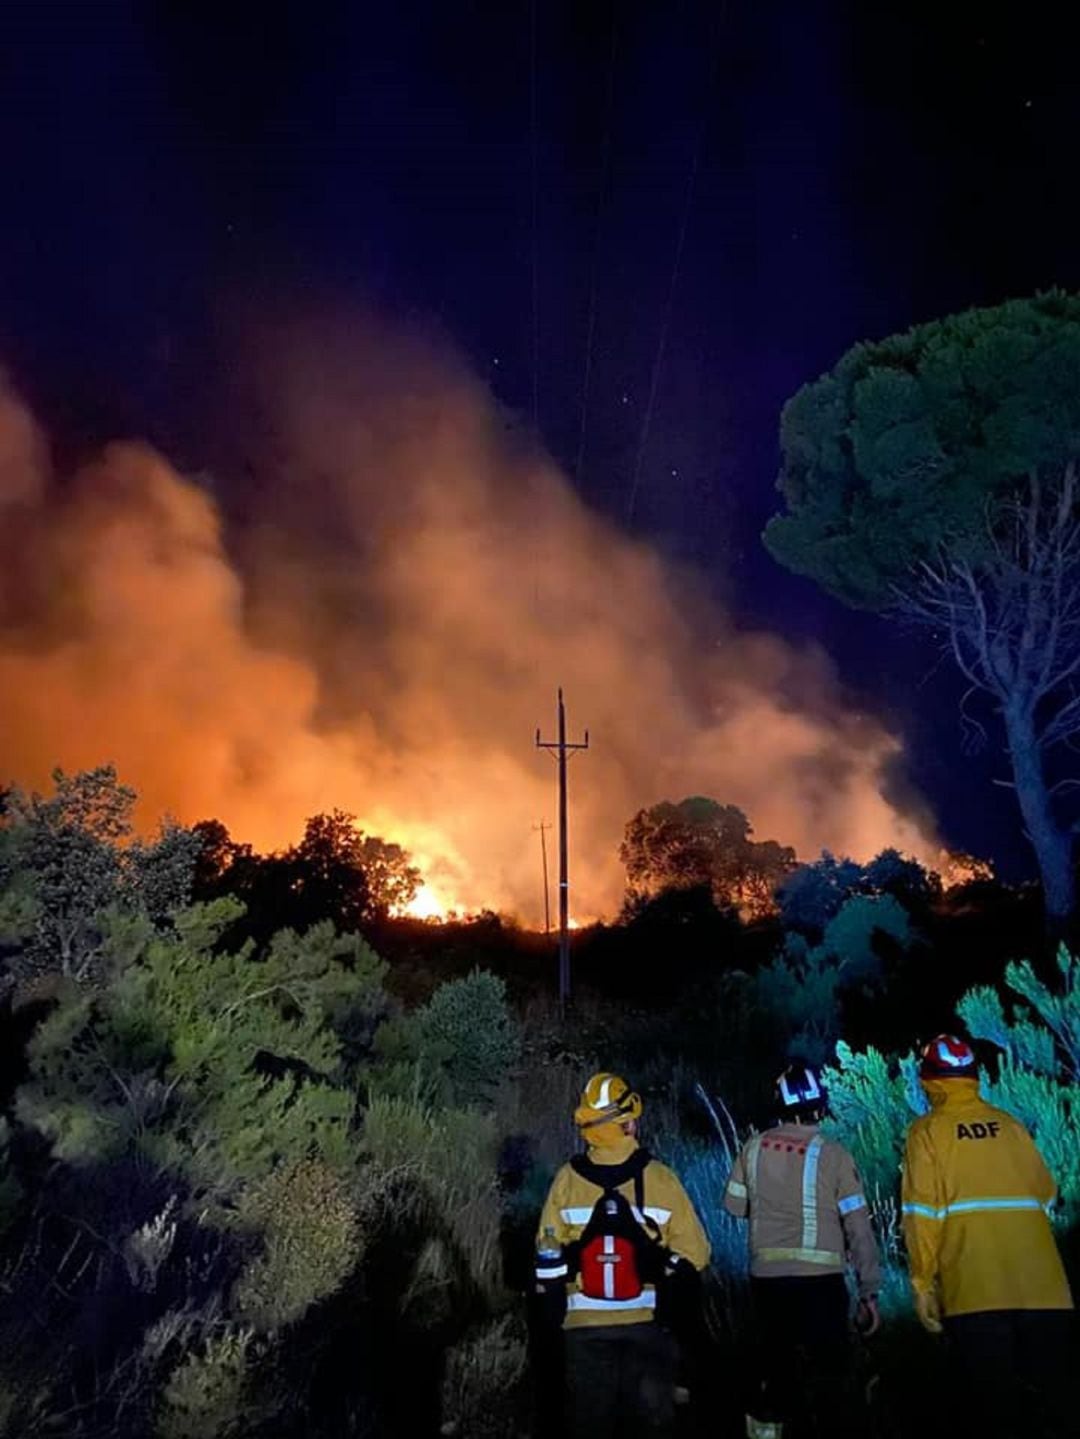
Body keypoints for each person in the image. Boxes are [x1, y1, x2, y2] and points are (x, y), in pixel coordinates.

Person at [901, 1034, 1074, 1438]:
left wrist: (922, 1285)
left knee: (993, 1416)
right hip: (1046, 1292)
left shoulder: (926, 1133)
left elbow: (921, 1215)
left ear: (928, 1082)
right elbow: (1047, 1193)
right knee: (1057, 1411)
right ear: (974, 1078)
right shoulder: (1010, 1126)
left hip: (974, 1293)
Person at [534, 1071, 711, 1438]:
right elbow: (697, 1253)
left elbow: (546, 1258)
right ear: (628, 1123)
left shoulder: (566, 1181)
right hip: (647, 1328)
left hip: (583, 1332)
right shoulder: (661, 1180)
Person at [724, 1064, 880, 1437]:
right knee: (830, 1377)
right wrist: (869, 1290)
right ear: (819, 1105)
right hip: (822, 1284)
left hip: (768, 1283)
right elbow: (858, 1227)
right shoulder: (834, 1155)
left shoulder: (753, 1147)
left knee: (777, 1371)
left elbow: (733, 1206)